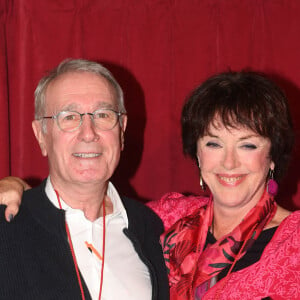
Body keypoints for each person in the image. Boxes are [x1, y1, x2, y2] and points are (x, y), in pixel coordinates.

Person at [2, 71, 300, 299]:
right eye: (214, 143)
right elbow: (78, 202)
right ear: (197, 153)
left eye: (247, 145)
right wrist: (19, 191)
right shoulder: (167, 219)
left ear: (272, 154)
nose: (229, 163)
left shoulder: (294, 244)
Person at [0, 59, 169, 300]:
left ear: (122, 130)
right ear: (41, 136)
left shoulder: (150, 228)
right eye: (69, 117)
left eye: (103, 115)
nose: (88, 133)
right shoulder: (6, 226)